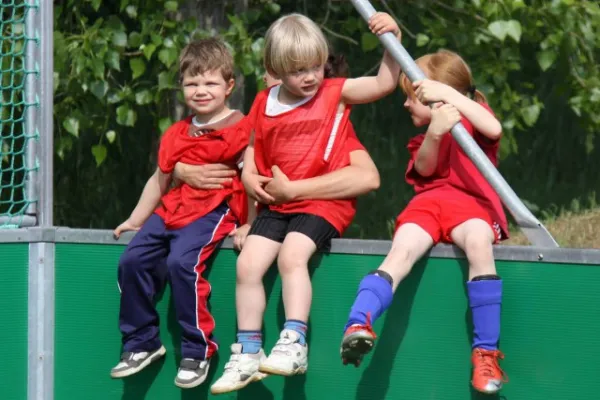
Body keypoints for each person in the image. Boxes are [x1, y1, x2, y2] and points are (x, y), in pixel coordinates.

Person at [210, 12, 401, 395]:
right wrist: (249, 188)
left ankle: (294, 342)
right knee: (247, 263)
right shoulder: (264, 102)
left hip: (319, 204)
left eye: (316, 65)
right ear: (275, 69)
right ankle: (248, 352)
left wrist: (391, 38)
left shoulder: (334, 92)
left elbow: (384, 83)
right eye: (299, 71)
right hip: (277, 207)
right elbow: (253, 154)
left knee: (291, 256)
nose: (311, 76)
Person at [340, 48, 509, 395]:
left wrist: (446, 95)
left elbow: (494, 126)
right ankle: (360, 320)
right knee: (401, 251)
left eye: (412, 96)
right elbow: (426, 170)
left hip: (471, 206)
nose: (405, 104)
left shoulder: (474, 120)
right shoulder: (423, 136)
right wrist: (435, 132)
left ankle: (485, 353)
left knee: (479, 243)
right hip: (429, 205)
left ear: (435, 94)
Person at [109, 38, 254, 389]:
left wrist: (251, 222)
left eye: (210, 83)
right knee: (132, 261)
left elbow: (251, 177)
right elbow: (159, 178)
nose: (200, 90)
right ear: (182, 87)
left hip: (213, 210)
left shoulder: (241, 128)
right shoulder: (175, 132)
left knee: (181, 264)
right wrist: (136, 218)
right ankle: (142, 343)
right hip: (172, 209)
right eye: (192, 83)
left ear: (229, 86)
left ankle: (197, 350)